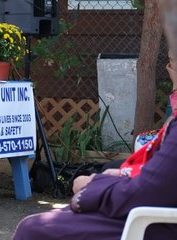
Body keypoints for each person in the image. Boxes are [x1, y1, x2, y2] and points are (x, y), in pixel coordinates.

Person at [12, 51, 177, 239]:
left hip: (155, 224)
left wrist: (93, 187)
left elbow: (147, 193)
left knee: (32, 229)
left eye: (172, 62)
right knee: (108, 168)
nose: (169, 68)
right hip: (154, 212)